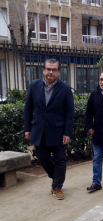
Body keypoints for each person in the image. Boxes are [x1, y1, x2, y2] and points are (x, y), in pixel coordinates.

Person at [24, 59, 74, 200]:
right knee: (43, 158)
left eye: (54, 69)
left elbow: (70, 113)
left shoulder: (65, 88)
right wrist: (27, 129)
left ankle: (57, 187)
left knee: (60, 160)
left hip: (58, 131)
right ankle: (56, 178)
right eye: (48, 69)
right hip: (39, 130)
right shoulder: (34, 85)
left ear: (58, 71)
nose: (50, 72)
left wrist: (67, 132)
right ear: (44, 70)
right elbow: (28, 109)